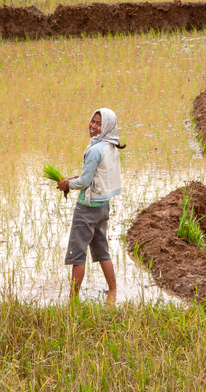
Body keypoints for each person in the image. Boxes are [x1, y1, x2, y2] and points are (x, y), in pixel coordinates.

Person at [57, 108, 124, 304]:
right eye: (92, 121)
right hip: (103, 207)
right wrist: (72, 178)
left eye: (98, 124)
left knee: (78, 254)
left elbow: (86, 182)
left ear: (107, 127)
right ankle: (113, 291)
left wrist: (67, 184)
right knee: (102, 250)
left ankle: (72, 300)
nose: (93, 126)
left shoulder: (94, 150)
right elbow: (97, 176)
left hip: (87, 209)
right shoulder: (110, 146)